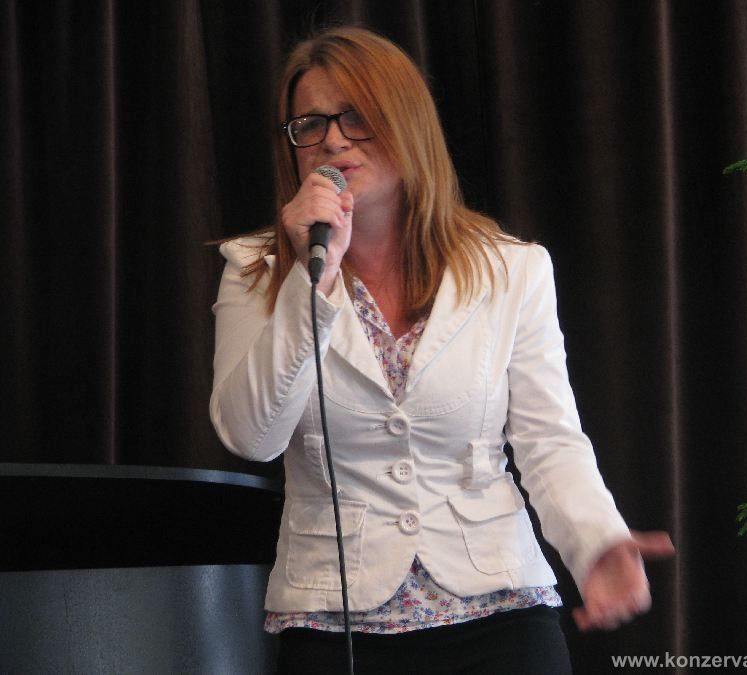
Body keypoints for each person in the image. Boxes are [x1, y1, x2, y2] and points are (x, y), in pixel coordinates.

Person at [209, 25, 673, 675]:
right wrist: (312, 283)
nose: (333, 140)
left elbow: (548, 440)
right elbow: (251, 436)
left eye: (356, 116)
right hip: (335, 623)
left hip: (501, 610)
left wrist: (596, 541)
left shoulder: (512, 269)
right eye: (310, 124)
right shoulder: (256, 269)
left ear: (408, 123)